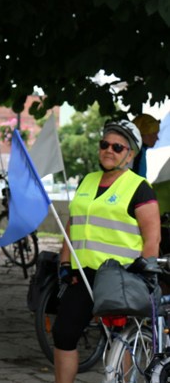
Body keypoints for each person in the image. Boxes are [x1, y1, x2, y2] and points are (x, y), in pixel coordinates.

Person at [52, 119, 160, 383]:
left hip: (119, 276)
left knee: (118, 339)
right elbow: (73, 224)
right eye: (104, 144)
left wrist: (144, 269)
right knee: (63, 334)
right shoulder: (87, 181)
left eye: (117, 147)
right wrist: (65, 263)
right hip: (84, 274)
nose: (109, 150)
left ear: (130, 154)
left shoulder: (139, 187)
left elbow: (152, 237)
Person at [132, 113, 160, 178]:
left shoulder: (135, 150)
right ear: (144, 133)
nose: (157, 138)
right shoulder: (137, 153)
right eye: (154, 134)